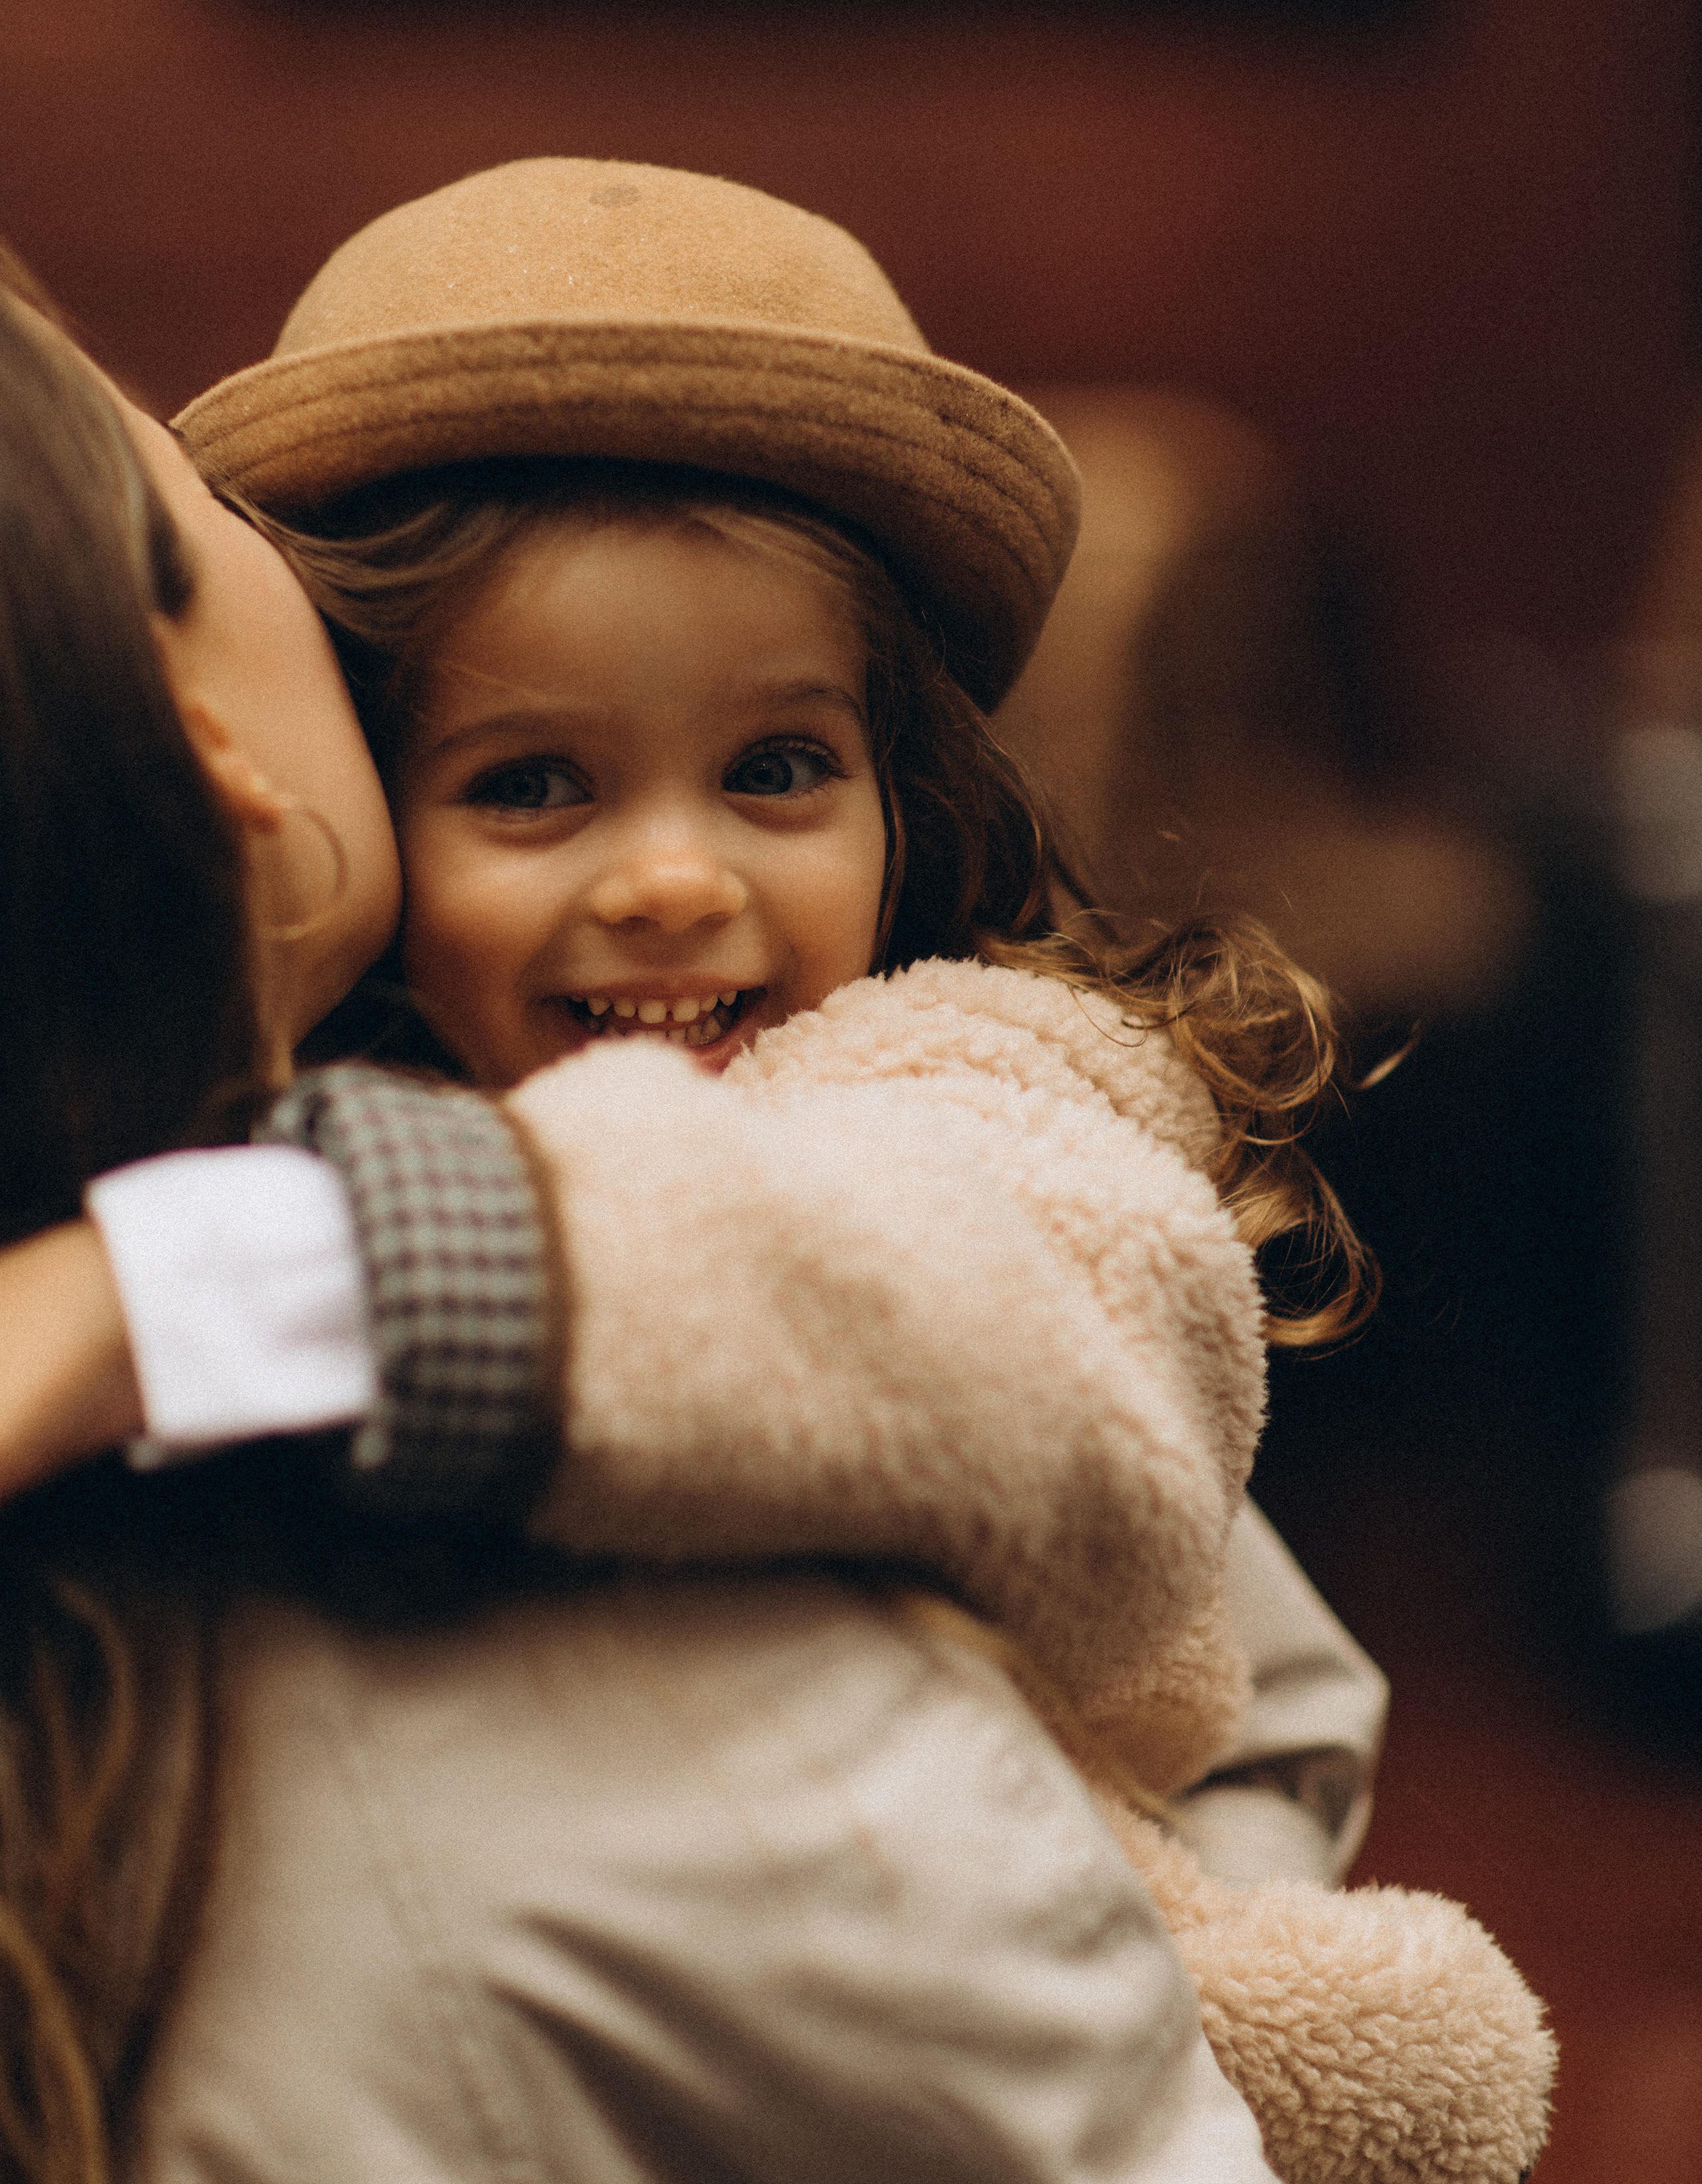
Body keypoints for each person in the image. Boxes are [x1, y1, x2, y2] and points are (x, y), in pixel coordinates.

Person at [0, 276, 1284, 2182]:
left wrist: (158, 1289)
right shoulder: (609, 1742)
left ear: (905, 798)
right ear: (235, 747)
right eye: (529, 786)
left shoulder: (970, 1092)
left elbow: (1019, 1311)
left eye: (777, 769)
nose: (675, 880)